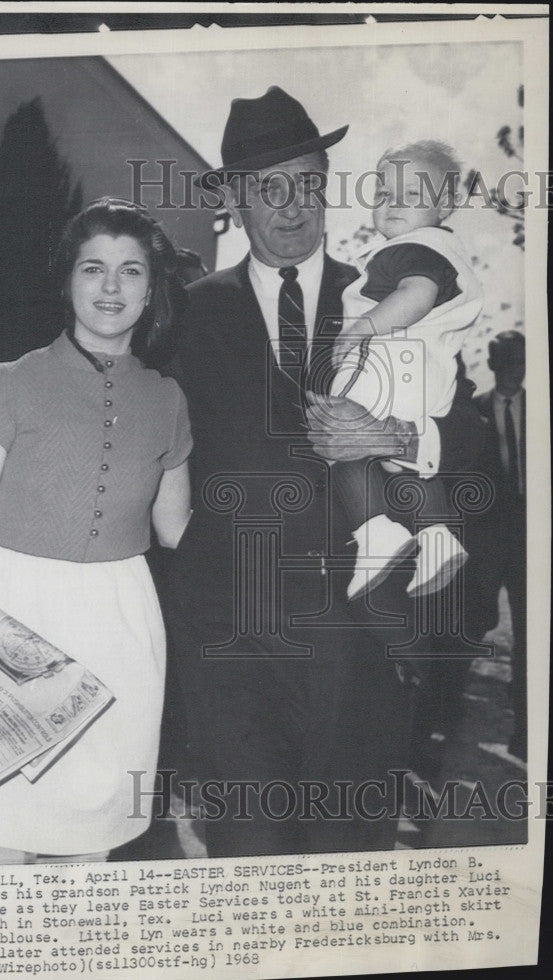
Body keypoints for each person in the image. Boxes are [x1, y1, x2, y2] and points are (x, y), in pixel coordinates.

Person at [166, 86, 485, 857]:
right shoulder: (189, 313)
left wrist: (394, 432)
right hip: (232, 653)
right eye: (267, 188)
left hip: (359, 649)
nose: (290, 207)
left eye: (306, 183)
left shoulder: (392, 295)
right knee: (250, 871)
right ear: (235, 199)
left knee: (344, 885)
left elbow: (479, 448)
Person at [0, 199, 192, 864]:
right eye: (93, 269)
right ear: (67, 280)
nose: (111, 288)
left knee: (80, 870)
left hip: (117, 636)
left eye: (130, 272)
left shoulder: (167, 400)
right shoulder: (10, 384)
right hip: (6, 625)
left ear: (151, 290)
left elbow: (178, 531)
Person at [329, 141, 483, 600]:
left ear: (444, 205)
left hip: (388, 367)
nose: (392, 202)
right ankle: (437, 540)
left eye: (411, 194)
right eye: (382, 191)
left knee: (344, 447)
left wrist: (360, 327)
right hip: (422, 382)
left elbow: (416, 294)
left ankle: (377, 535)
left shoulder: (412, 249)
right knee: (405, 471)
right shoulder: (439, 247)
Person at [469, 330, 526, 764]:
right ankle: (448, 717)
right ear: (492, 365)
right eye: (505, 361)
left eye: (519, 360)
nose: (514, 368)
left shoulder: (541, 408)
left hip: (529, 537)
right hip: (488, 538)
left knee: (530, 634)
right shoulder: (477, 411)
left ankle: (525, 733)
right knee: (472, 625)